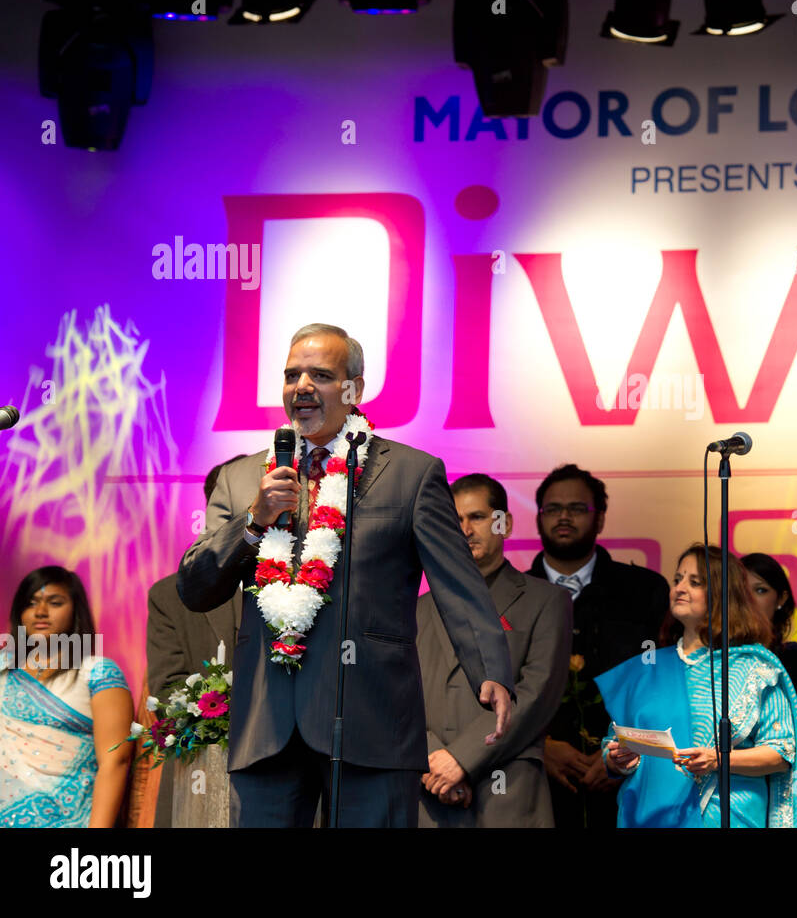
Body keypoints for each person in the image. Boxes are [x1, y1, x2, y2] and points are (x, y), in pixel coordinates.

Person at [177, 323, 514, 827]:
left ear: (355, 387)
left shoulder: (409, 474)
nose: (302, 386)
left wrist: (491, 670)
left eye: (321, 374)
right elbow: (195, 587)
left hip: (371, 718)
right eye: (292, 375)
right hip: (267, 726)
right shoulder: (244, 477)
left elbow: (458, 585)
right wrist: (254, 521)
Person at [597, 544, 797, 828]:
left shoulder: (753, 666)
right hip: (651, 819)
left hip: (728, 817)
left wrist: (718, 760)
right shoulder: (648, 667)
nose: (680, 588)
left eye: (694, 582)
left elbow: (782, 752)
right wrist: (617, 759)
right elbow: (614, 741)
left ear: (724, 594)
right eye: (677, 579)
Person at [417, 472, 571, 827]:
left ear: (504, 523)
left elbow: (536, 695)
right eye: (455, 520)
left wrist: (462, 759)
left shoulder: (546, 601)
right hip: (429, 793)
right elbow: (398, 696)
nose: (466, 530)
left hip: (506, 796)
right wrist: (432, 759)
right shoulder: (418, 609)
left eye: (478, 517)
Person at [527, 463, 669, 828]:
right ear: (539, 517)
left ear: (600, 519)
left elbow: (666, 684)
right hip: (533, 785)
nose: (563, 517)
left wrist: (629, 749)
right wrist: (538, 747)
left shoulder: (644, 591)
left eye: (577, 509)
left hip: (631, 783)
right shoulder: (514, 595)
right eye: (553, 509)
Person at [147, 455, 246, 828]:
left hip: (288, 780)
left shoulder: (305, 586)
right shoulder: (169, 596)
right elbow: (167, 692)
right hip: (202, 782)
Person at [0, 567, 133, 827]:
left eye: (55, 602)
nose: (40, 612)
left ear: (75, 610)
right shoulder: (4, 670)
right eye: (30, 604)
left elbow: (115, 761)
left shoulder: (96, 673)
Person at [741, 553, 797, 754]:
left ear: (781, 598)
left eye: (760, 590)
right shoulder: (713, 660)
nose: (749, 600)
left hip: (773, 783)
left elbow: (796, 751)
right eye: (740, 591)